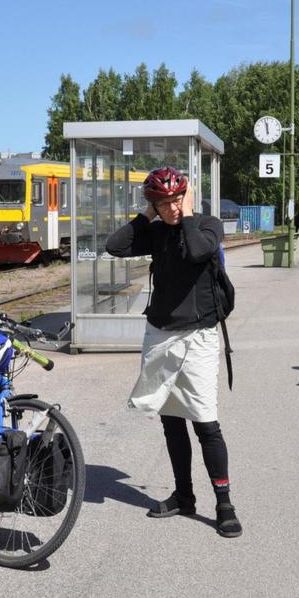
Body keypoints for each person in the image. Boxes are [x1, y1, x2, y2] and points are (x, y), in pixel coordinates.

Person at [105, 167, 241, 539]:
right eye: (163, 204)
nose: (172, 209)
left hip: (198, 337)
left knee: (205, 422)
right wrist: (147, 215)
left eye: (176, 200)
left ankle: (224, 503)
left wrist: (189, 214)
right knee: (170, 419)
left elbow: (198, 251)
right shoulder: (158, 231)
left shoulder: (208, 225)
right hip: (161, 335)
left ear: (188, 197)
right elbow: (114, 246)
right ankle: (184, 496)